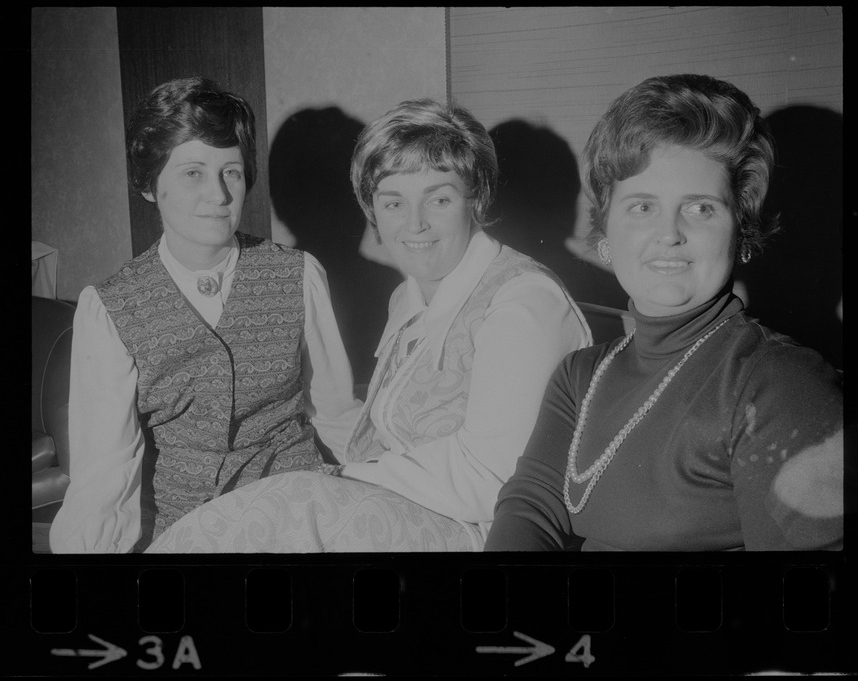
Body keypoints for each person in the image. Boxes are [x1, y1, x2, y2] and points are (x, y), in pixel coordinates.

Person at [146, 98, 592, 552]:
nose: (415, 224)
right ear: (371, 210)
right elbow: (374, 431)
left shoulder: (523, 302)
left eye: (439, 198)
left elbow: (493, 477)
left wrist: (342, 478)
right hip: (402, 510)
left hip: (481, 533)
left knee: (297, 505)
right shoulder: (410, 296)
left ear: (475, 198)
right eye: (393, 202)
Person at [485, 74, 843, 552]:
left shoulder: (778, 383)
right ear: (606, 232)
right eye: (642, 206)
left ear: (741, 230)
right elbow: (530, 506)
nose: (668, 233)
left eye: (700, 208)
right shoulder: (580, 376)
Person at [49, 78, 361, 553]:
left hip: (298, 510)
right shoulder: (111, 306)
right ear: (150, 185)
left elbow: (336, 414)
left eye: (231, 172)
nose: (218, 194)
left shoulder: (298, 275)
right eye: (193, 172)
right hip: (190, 528)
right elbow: (105, 470)